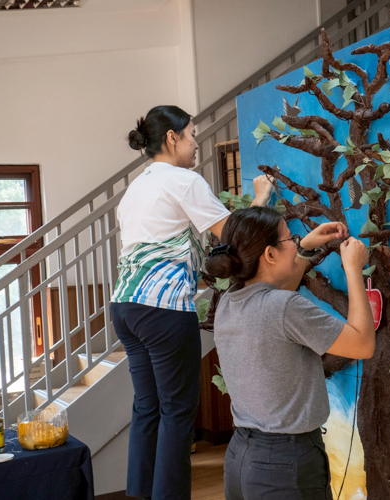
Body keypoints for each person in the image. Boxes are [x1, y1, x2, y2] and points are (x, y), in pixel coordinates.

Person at [109, 105, 272, 500]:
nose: (197, 143)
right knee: (178, 413)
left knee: (147, 409)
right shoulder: (183, 180)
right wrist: (261, 197)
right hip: (162, 309)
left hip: (124, 308)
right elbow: (232, 235)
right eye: (193, 134)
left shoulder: (135, 188)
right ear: (172, 138)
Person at [205, 206, 376, 500]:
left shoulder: (229, 302)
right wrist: (352, 269)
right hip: (285, 464)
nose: (295, 243)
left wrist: (306, 247)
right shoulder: (283, 308)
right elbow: (362, 344)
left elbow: (277, 300)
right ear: (270, 255)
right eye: (290, 239)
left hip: (241, 458)